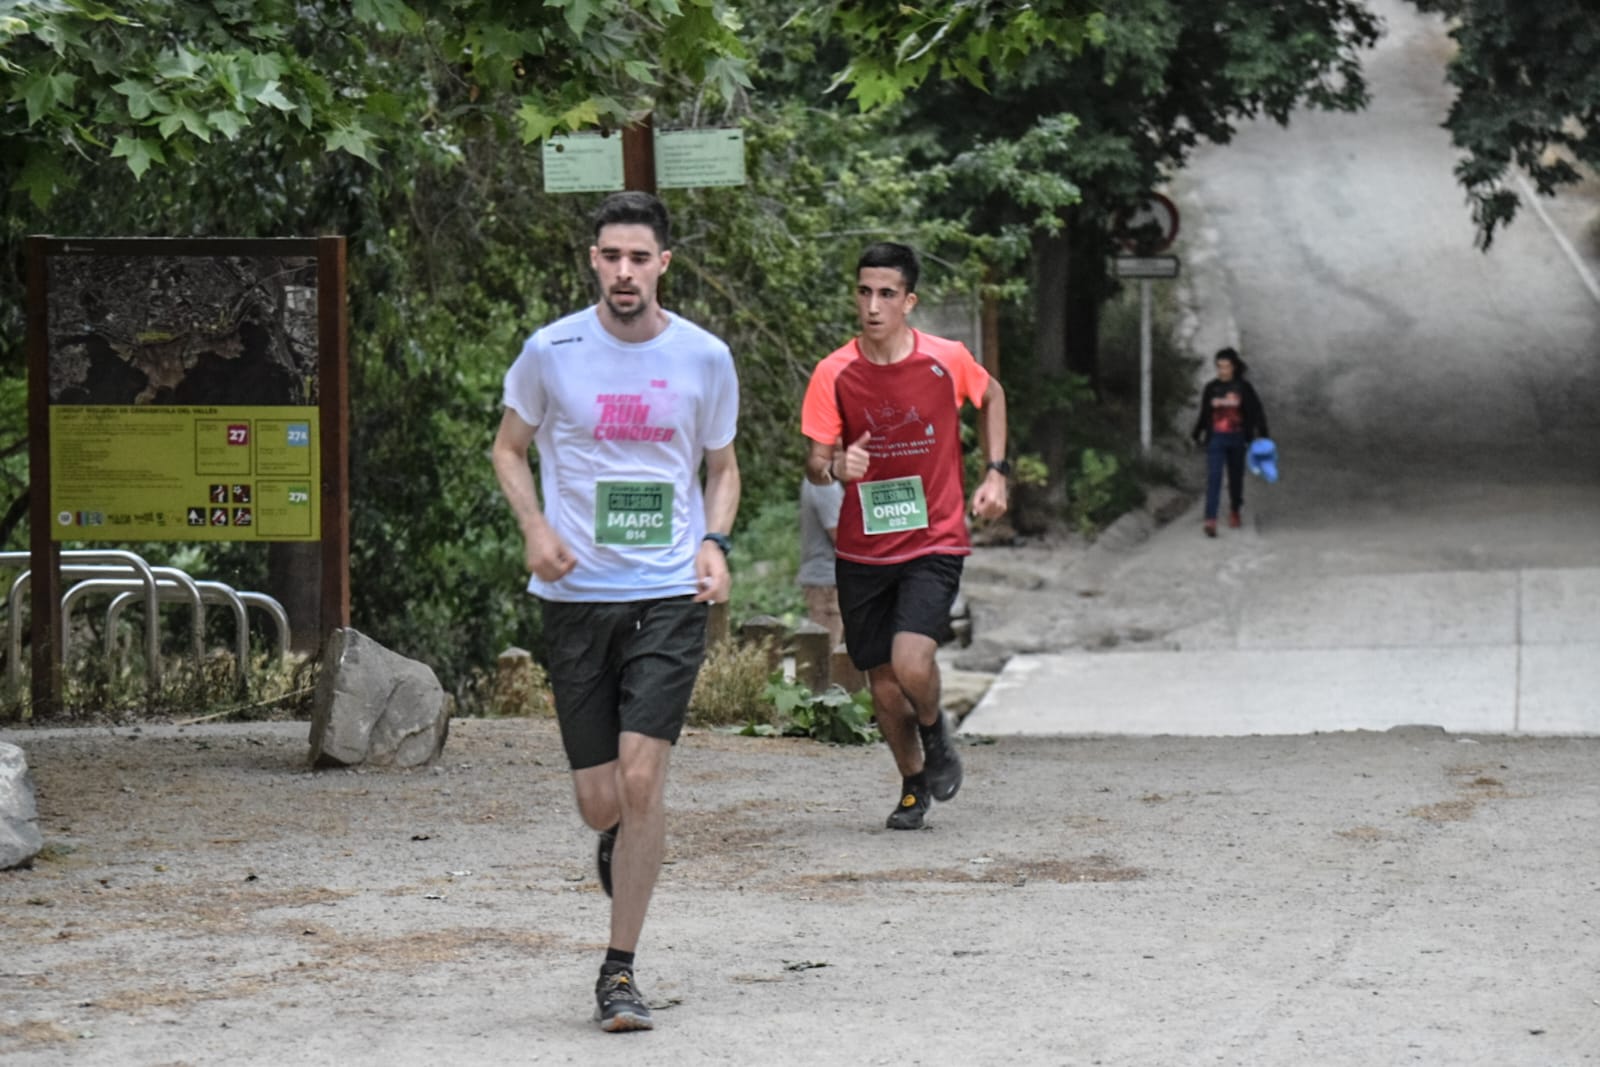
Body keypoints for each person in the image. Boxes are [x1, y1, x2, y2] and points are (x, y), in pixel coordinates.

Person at [491, 191, 740, 1032]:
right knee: (601, 801)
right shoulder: (551, 350)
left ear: (664, 263)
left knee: (642, 780)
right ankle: (618, 835)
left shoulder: (705, 357)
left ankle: (619, 969)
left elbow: (723, 465)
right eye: (611, 256)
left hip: (669, 593)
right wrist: (533, 526)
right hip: (575, 596)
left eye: (640, 257)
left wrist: (716, 541)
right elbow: (508, 446)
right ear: (593, 260)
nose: (624, 271)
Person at [800, 242, 1008, 830]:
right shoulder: (834, 372)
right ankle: (913, 782)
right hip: (863, 548)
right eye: (864, 291)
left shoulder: (945, 359)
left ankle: (936, 726)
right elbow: (816, 460)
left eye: (887, 294)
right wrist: (836, 467)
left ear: (908, 301)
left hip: (934, 537)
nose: (873, 304)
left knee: (911, 660)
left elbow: (992, 395)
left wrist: (997, 471)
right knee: (884, 689)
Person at [1190, 346, 1269, 537]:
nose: (1222, 370)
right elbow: (1205, 414)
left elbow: (1256, 411)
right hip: (1216, 438)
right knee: (1214, 477)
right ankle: (1211, 519)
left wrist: (1263, 434)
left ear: (1233, 367)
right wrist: (1196, 433)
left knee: (1235, 478)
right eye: (1219, 366)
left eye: (1226, 366)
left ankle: (1235, 509)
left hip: (1237, 437)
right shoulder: (1211, 388)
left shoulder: (1243, 388)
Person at [797, 476, 846, 647]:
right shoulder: (825, 486)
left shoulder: (815, 480)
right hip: (827, 581)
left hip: (825, 578)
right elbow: (841, 538)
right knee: (826, 654)